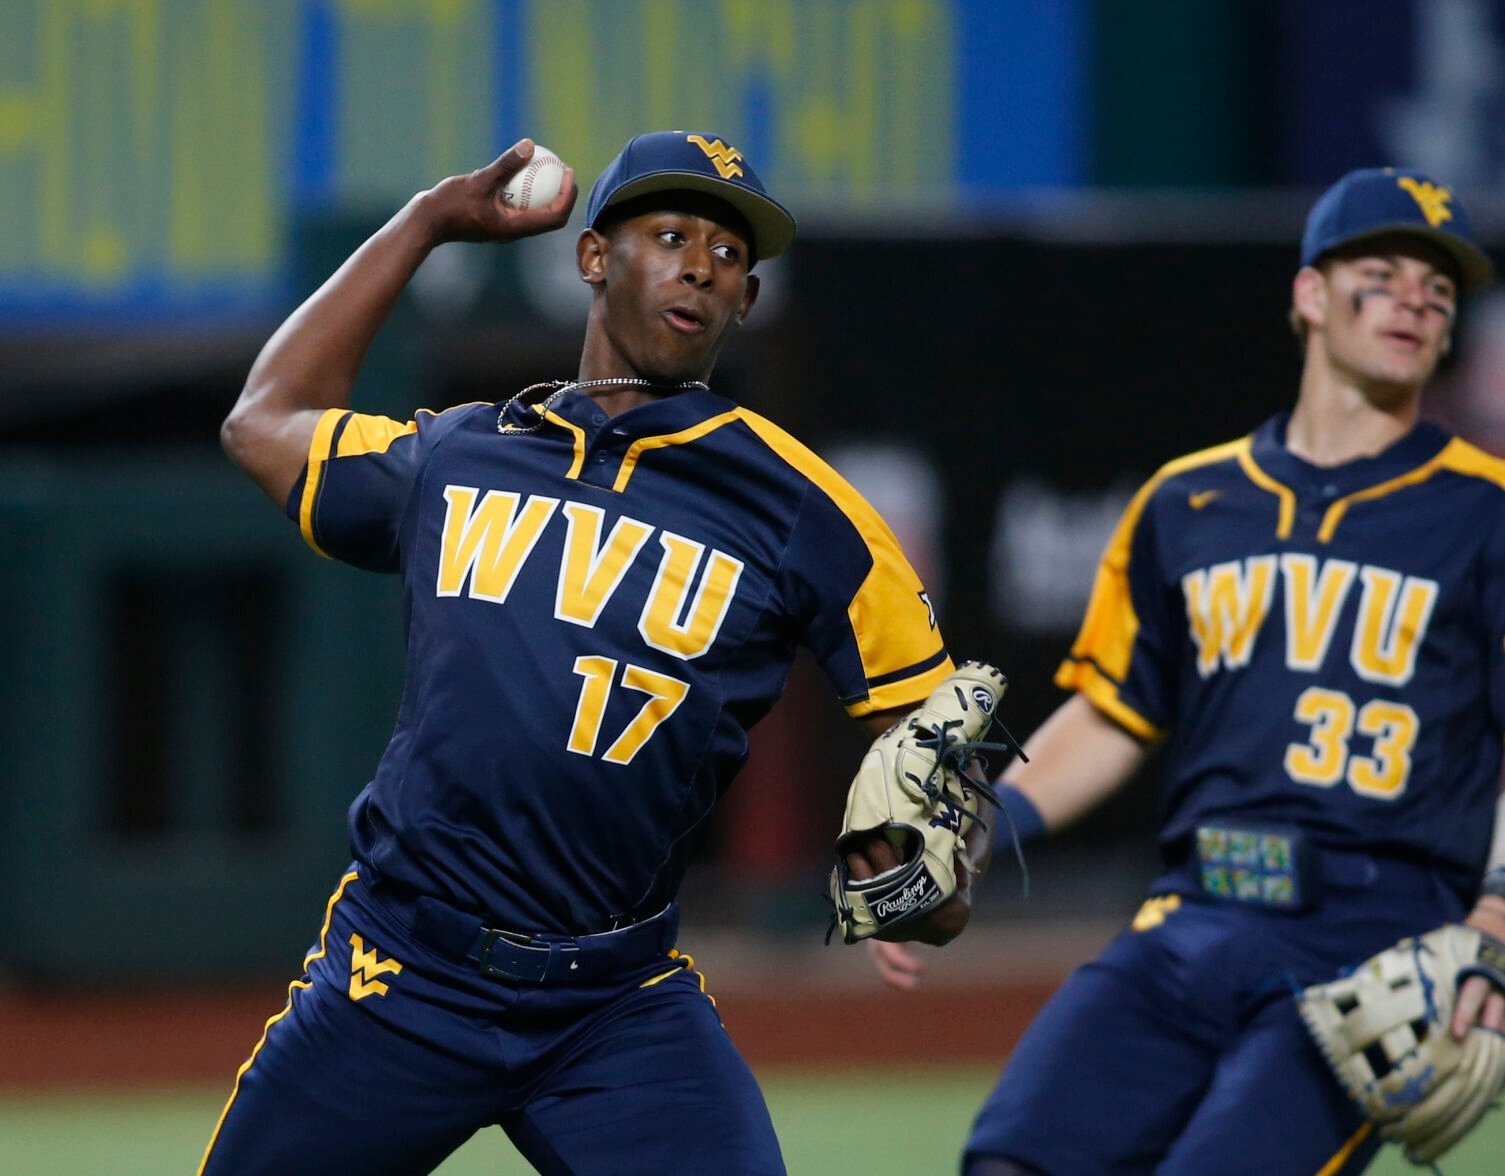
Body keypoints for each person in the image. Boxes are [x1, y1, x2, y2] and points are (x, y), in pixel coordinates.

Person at [205, 131, 969, 1175]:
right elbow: (265, 421)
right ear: (594, 259)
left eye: (730, 254)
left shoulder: (803, 509)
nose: (701, 263)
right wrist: (425, 221)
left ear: (743, 304)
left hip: (611, 1008)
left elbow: (930, 727)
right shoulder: (459, 454)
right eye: (668, 234)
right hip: (402, 976)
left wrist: (925, 874)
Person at [872, 167, 1505, 1174]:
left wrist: (1503, 908)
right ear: (1308, 294)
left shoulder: (1496, 510)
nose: (1414, 299)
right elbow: (1110, 717)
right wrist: (976, 831)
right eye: (1380, 272)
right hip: (1191, 920)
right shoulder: (1188, 500)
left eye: (1436, 290)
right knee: (1009, 1161)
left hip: (1378, 936)